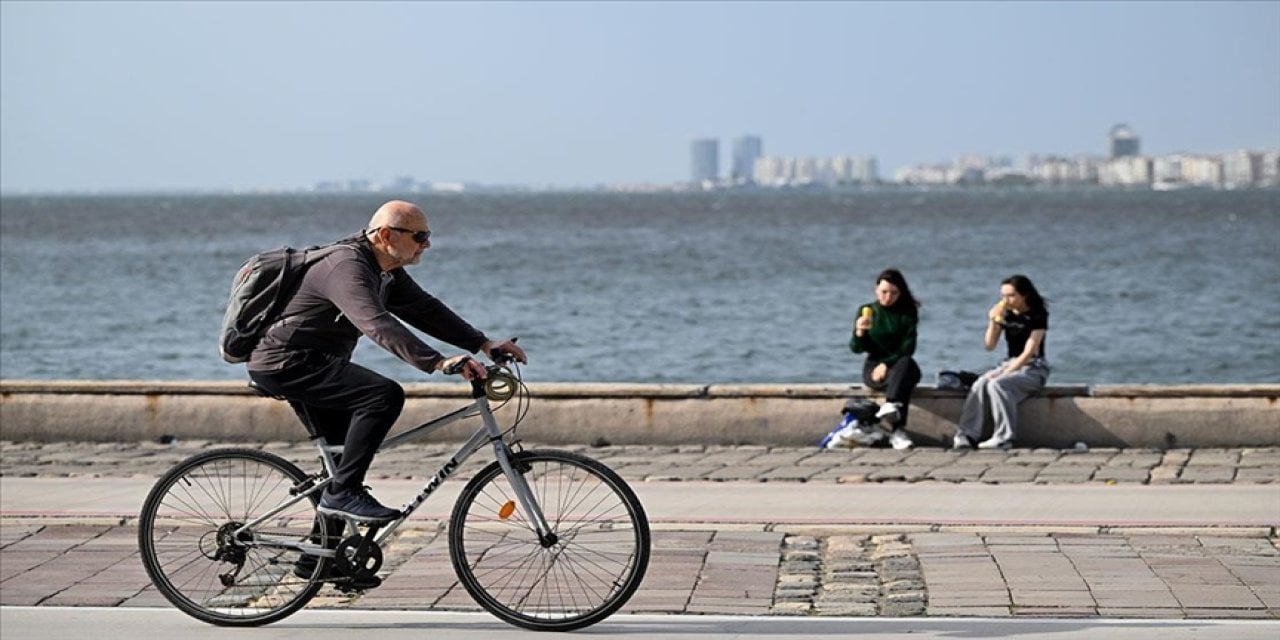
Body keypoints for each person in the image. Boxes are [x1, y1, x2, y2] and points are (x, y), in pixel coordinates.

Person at [247, 200, 526, 523]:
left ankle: (322, 560)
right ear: (385, 235)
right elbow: (376, 323)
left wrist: (483, 344)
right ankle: (343, 495)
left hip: (317, 362)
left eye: (428, 235)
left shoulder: (385, 271)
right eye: (419, 236)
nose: (428, 244)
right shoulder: (347, 267)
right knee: (383, 396)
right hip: (287, 363)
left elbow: (426, 309)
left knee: (340, 469)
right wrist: (436, 362)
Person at [953, 274, 1050, 450]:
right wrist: (992, 322)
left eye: (1011, 296)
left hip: (1033, 367)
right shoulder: (1005, 313)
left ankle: (1004, 436)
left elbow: (1030, 351)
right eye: (1003, 296)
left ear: (1024, 295)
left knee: (997, 385)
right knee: (980, 383)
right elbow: (989, 345)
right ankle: (967, 434)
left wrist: (1005, 374)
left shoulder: (1038, 314)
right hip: (1009, 362)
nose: (1007, 300)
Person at [849, 268, 922, 450]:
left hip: (901, 364)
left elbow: (908, 348)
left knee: (905, 366)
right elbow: (856, 349)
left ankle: (890, 404)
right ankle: (897, 430)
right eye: (884, 292)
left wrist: (887, 363)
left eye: (893, 293)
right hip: (874, 366)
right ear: (876, 290)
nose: (888, 297)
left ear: (900, 293)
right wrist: (860, 332)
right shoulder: (868, 311)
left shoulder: (908, 312)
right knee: (903, 382)